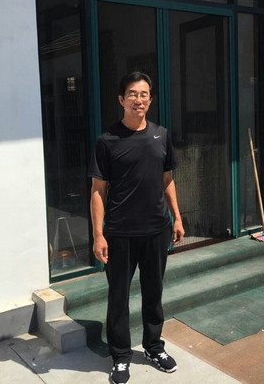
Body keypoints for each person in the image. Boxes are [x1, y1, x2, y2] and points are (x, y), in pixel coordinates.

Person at [89, 71, 185, 384]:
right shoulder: (107, 140)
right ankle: (120, 356)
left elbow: (167, 179)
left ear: (150, 100)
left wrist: (177, 217)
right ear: (121, 99)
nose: (138, 100)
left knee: (153, 292)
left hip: (157, 229)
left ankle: (154, 347)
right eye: (132, 94)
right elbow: (98, 191)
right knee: (118, 297)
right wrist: (99, 234)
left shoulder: (161, 135)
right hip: (120, 233)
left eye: (144, 94)